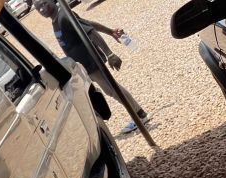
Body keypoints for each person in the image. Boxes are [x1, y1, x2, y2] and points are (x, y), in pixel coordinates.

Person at [33, 0, 150, 134]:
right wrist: (110, 31)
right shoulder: (57, 19)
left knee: (112, 89)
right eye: (38, 9)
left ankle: (140, 116)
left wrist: (109, 53)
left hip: (91, 61)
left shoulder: (64, 16)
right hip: (86, 65)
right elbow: (88, 24)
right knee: (111, 89)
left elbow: (91, 32)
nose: (42, 9)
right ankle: (139, 114)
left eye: (44, 3)